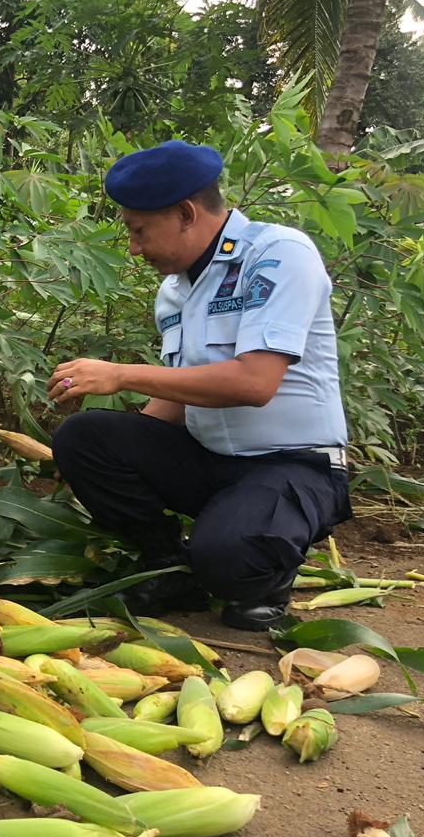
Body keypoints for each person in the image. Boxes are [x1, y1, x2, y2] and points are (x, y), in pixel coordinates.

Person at [48, 140, 352, 631]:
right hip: (210, 460)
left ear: (186, 214)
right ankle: (168, 564)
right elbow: (178, 394)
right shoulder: (174, 291)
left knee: (229, 560)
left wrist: (119, 374)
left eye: (138, 230)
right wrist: (112, 457)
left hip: (293, 464)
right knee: (84, 436)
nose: (133, 247)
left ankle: (262, 576)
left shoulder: (277, 255)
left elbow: (255, 383)